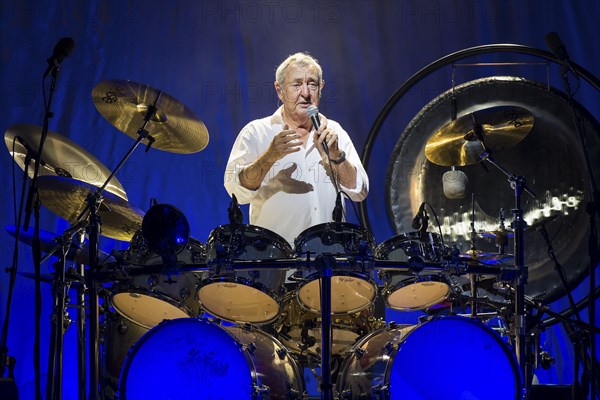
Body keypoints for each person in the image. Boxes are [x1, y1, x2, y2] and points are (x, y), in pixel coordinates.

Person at [224, 52, 369, 245]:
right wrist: (269, 156)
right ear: (279, 90)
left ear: (321, 88)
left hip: (329, 262)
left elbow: (359, 191)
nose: (306, 93)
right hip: (277, 263)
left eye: (312, 84)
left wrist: (337, 157)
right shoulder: (257, 132)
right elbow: (235, 191)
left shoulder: (335, 132)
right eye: (297, 84)